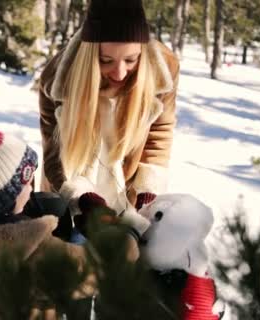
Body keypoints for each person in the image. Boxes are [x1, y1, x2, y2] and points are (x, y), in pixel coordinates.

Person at [0, 115, 139, 320]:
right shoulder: (27, 249)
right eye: (27, 180)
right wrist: (127, 236)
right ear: (6, 196)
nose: (31, 187)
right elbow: (90, 271)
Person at [38, 0, 180, 229]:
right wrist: (83, 200)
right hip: (68, 200)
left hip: (127, 198)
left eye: (131, 60)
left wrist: (147, 195)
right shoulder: (56, 82)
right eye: (106, 61)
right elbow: (55, 156)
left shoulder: (163, 71)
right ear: (91, 55)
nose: (120, 72)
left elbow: (159, 135)